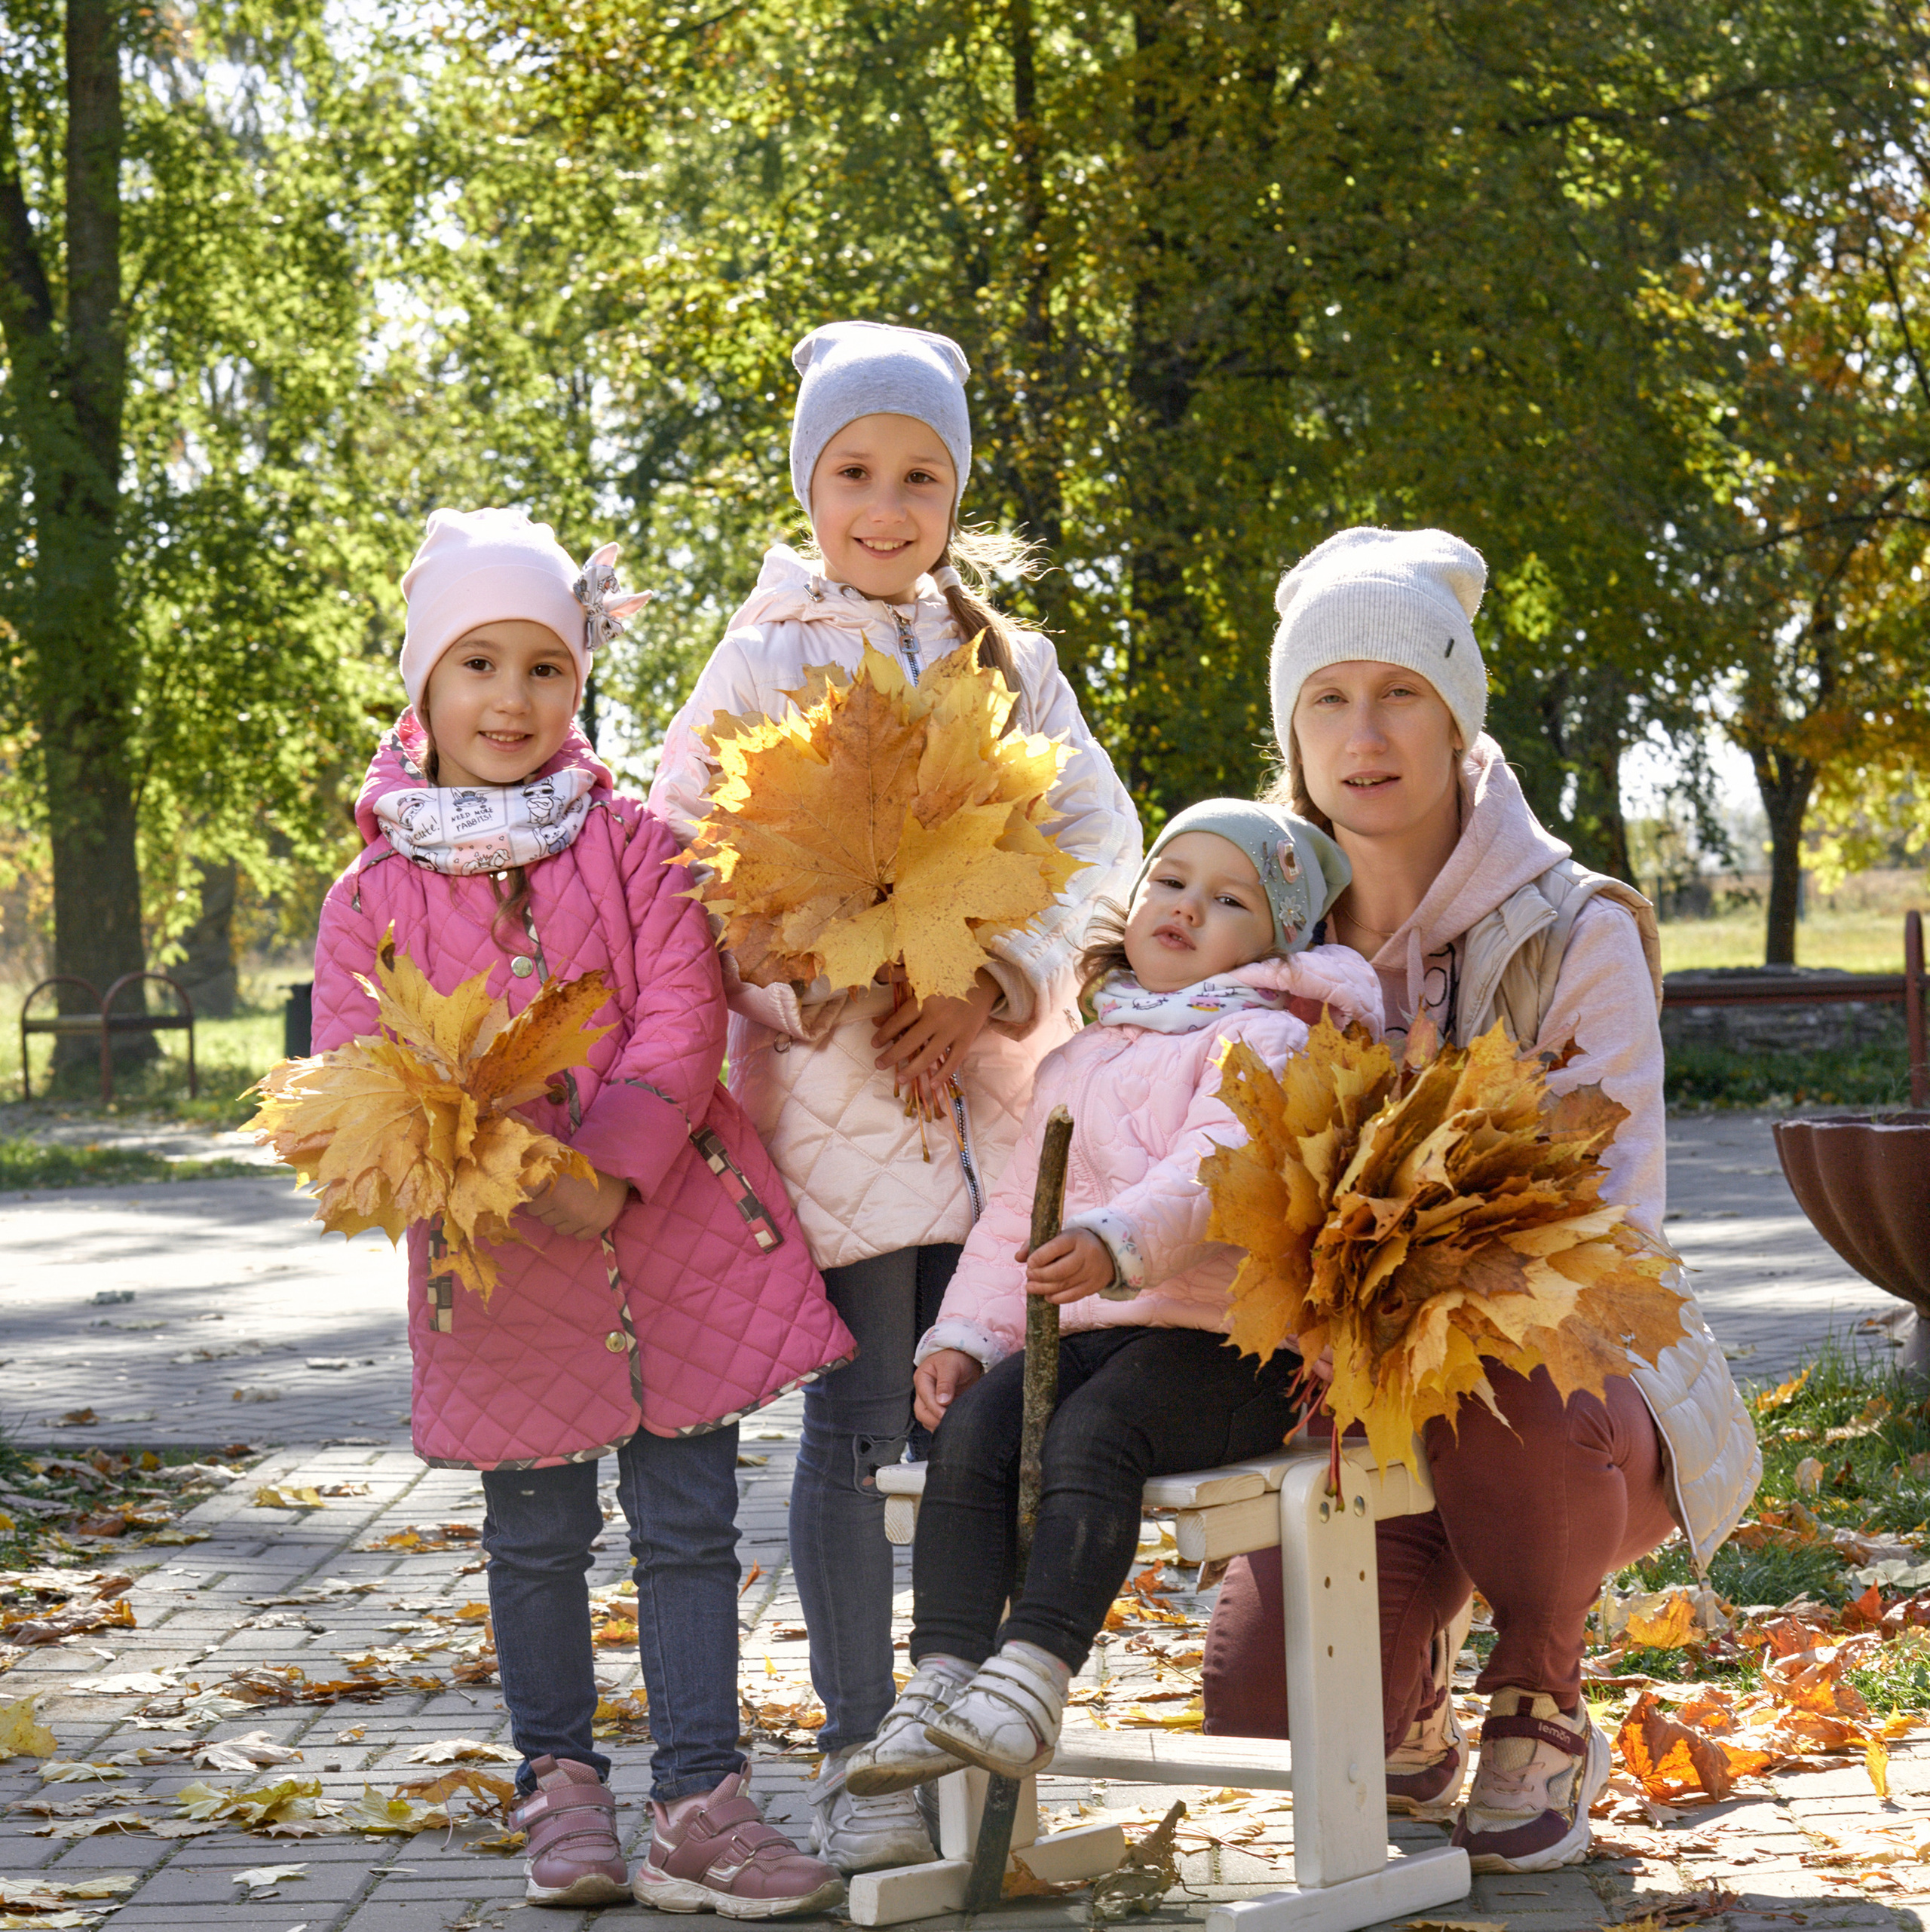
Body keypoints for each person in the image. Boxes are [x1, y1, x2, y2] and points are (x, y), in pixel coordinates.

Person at [649, 321, 1142, 1871]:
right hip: (836, 1104)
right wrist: (831, 976)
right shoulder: (756, 655)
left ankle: (970, 1745)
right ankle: (860, 1744)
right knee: (861, 1421)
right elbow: (685, 874)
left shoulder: (1010, 661)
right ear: (808, 485)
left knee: (989, 1411)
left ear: (953, 491)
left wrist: (991, 974)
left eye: (918, 475)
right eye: (852, 471)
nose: (884, 504)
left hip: (986, 1103)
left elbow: (1096, 845)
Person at [313, 507, 853, 1918]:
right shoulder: (372, 891)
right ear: (423, 685)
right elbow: (352, 1071)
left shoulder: (633, 844)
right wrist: (488, 1165)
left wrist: (607, 1161)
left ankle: (699, 1796)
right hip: (500, 1270)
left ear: (582, 680)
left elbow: (680, 1010)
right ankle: (559, 1780)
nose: (512, 698)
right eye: (479, 665)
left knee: (686, 1521)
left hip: (663, 1232)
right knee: (536, 1534)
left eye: (544, 667)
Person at [1198, 526, 1761, 1874]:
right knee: (1261, 1714)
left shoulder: (1576, 927)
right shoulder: (1253, 924)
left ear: (1458, 716)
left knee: (1513, 1373)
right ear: (1292, 730)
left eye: (1400, 692)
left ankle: (1543, 1685)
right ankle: (1413, 1695)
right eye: (1327, 697)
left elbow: (1615, 1235)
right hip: (1342, 1394)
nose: (1364, 732)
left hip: (1561, 1394)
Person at [838, 802, 1383, 1793]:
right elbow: (1015, 1221)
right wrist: (963, 1335)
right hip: (1096, 1336)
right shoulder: (1084, 1055)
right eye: (1170, 882)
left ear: (1277, 943)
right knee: (974, 1428)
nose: (1185, 908)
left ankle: (1035, 1673)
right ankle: (946, 1678)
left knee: (1093, 1435)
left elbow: (1217, 1170)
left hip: (1229, 1350)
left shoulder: (1264, 1038)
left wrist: (1113, 1242)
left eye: (1228, 900)